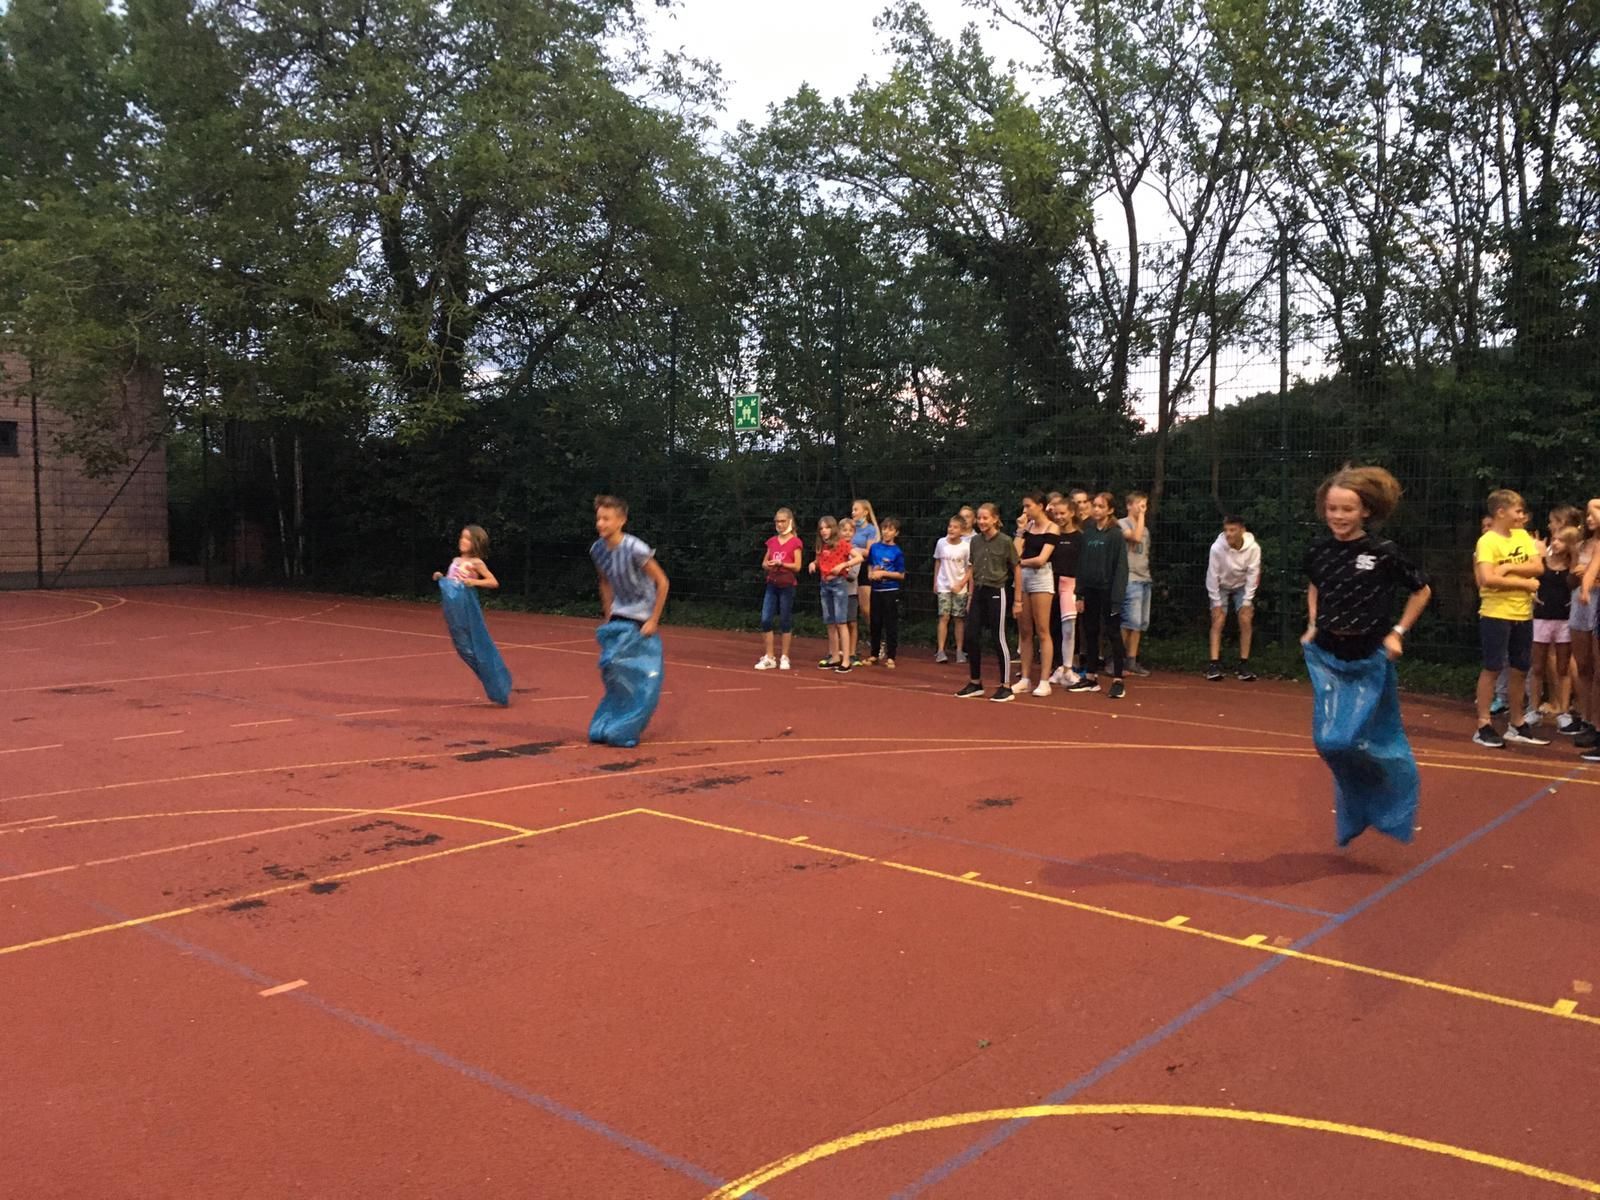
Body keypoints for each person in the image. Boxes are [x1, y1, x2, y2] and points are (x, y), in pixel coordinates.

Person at [1301, 466, 1431, 846]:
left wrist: (1398, 633)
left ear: (1365, 512)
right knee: (1332, 742)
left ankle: (1392, 797)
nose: (1338, 517)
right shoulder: (1318, 550)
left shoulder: (1382, 552)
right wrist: (1313, 623)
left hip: (1371, 658)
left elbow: (1421, 590)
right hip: (1326, 656)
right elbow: (1315, 584)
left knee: (1376, 739)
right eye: (1332, 509)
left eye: (1346, 510)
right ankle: (1359, 806)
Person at [588, 496, 671, 746]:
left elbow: (663, 582)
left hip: (641, 618)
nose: (601, 523)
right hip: (619, 616)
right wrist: (608, 615)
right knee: (613, 670)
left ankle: (627, 726)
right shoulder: (598, 550)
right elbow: (604, 581)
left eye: (607, 518)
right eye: (598, 518)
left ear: (621, 521)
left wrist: (654, 620)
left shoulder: (636, 549)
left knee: (642, 678)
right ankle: (610, 721)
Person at [1472, 489, 1549, 748]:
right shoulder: (1488, 541)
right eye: (1517, 511)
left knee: (1520, 668)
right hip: (1496, 613)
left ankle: (1516, 723)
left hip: (1522, 613)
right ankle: (1483, 724)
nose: (1521, 516)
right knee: (1493, 667)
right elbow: (1487, 579)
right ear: (1501, 512)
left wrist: (1508, 567)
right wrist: (1525, 585)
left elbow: (1538, 567)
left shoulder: (1521, 536)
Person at [432, 524, 512, 705]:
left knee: (477, 646)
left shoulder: (476, 563)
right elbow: (451, 581)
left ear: (475, 542)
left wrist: (473, 582)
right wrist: (440, 577)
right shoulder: (456, 560)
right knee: (463, 649)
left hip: (467, 607)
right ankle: (490, 679)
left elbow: (493, 582)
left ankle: (497, 683)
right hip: (454, 610)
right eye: (462, 537)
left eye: (467, 538)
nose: (463, 541)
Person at [956, 502, 1022, 702]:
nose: (982, 521)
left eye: (986, 518)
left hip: (997, 591)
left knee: (998, 637)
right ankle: (975, 682)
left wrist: (1017, 600)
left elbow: (1016, 569)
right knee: (970, 635)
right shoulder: (975, 541)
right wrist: (969, 595)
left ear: (995, 519)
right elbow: (973, 569)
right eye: (979, 518)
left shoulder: (1005, 541)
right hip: (979, 593)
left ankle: (1006, 686)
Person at [1527, 506, 1581, 728]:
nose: (1550, 527)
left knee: (1564, 663)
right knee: (1539, 663)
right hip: (1542, 617)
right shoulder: (1543, 555)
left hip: (1564, 618)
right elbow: (1533, 575)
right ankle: (1537, 706)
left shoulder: (1574, 559)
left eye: (1553, 522)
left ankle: (1565, 706)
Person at [1073, 492, 1129, 699]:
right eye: (1094, 505)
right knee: (1090, 631)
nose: (1096, 509)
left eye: (1100, 506)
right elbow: (1081, 563)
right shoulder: (1087, 532)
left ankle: (1118, 680)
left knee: (1113, 633)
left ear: (1110, 510)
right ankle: (1090, 676)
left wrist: (1117, 597)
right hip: (1090, 590)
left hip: (1108, 591)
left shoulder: (1115, 534)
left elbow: (1121, 567)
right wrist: (1079, 593)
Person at [1013, 491, 1060, 695]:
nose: (1025, 510)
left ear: (1040, 506)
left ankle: (1044, 680)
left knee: (1042, 629)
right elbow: (1014, 553)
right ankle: (1025, 678)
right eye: (1024, 506)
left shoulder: (1053, 527)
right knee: (1024, 631)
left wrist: (1020, 563)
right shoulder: (1028, 527)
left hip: (1042, 578)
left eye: (1028, 506)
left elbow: (1041, 559)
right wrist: (1020, 531)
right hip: (1024, 578)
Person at [1204, 515, 1262, 682]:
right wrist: (1216, 603)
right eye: (1226, 530)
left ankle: (1243, 664)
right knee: (1218, 620)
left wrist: (1247, 601)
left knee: (1245, 619)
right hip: (1221, 585)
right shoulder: (1216, 548)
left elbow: (1253, 574)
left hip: (1242, 585)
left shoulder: (1254, 548)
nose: (1228, 534)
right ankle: (1214, 664)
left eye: (1232, 530)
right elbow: (1212, 576)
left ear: (1242, 531)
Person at [1570, 499, 1600, 760]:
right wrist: (1586, 587)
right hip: (1589, 605)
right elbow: (1591, 569)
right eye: (1588, 511)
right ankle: (1592, 722)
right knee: (1589, 668)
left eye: (1598, 510)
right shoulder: (1585, 545)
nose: (1591, 515)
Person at [756, 507, 803, 671]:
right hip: (772, 583)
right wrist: (769, 565)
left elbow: (797, 566)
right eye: (777, 521)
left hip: (787, 585)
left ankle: (785, 656)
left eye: (783, 521)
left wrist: (782, 564)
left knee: (785, 620)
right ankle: (769, 656)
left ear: (790, 521)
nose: (780, 524)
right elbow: (763, 562)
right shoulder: (772, 541)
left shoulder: (795, 542)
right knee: (765, 619)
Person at [809, 515, 854, 672]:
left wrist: (843, 564)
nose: (823, 531)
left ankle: (846, 660)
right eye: (821, 528)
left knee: (841, 622)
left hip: (838, 584)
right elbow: (819, 560)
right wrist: (813, 564)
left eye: (827, 527)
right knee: (830, 622)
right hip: (825, 584)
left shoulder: (841, 544)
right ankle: (834, 656)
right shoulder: (821, 546)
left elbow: (859, 557)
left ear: (833, 528)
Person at [1047, 494, 1083, 688]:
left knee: (1069, 627)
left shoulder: (1079, 537)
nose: (1059, 517)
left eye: (1063, 513)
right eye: (1056, 513)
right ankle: (1057, 666)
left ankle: (1069, 668)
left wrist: (1081, 592)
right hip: (1050, 585)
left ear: (1071, 513)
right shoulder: (1051, 535)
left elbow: (1082, 566)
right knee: (1052, 627)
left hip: (1071, 586)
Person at [1119, 491, 1153, 676]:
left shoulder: (1145, 529)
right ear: (1129, 505)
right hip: (1130, 578)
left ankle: (1131, 660)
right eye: (1139, 505)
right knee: (1128, 621)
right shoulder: (1121, 523)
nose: (1142, 509)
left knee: (1139, 623)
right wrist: (1141, 517)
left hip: (1144, 578)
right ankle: (1116, 658)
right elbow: (1135, 537)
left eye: (1144, 505)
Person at [866, 517, 907, 667]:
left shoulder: (897, 552)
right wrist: (871, 574)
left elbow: (901, 574)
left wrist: (884, 574)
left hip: (890, 590)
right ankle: (874, 654)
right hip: (876, 590)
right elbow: (870, 565)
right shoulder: (875, 547)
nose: (886, 532)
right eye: (884, 528)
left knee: (890, 623)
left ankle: (891, 656)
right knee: (875, 622)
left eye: (890, 529)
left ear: (896, 533)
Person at [933, 515, 971, 663]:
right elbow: (938, 562)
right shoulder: (941, 543)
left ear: (962, 530)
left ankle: (960, 650)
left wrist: (961, 584)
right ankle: (941, 650)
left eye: (955, 527)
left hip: (959, 588)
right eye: (950, 526)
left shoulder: (966, 547)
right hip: (944, 585)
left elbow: (970, 569)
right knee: (943, 617)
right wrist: (936, 581)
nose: (951, 529)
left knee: (959, 619)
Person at [850, 499, 880, 662]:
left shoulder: (871, 529)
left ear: (865, 512)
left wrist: (854, 550)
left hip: (864, 568)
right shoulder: (851, 528)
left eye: (856, 509)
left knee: (866, 609)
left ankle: (877, 642)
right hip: (849, 569)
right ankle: (853, 645)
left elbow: (870, 552)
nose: (853, 512)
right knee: (852, 610)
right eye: (852, 510)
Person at [838, 516, 863, 667]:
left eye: (850, 530)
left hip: (851, 592)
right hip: (837, 591)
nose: (847, 533)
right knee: (838, 622)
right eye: (844, 530)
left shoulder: (856, 551)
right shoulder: (834, 549)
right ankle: (838, 651)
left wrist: (841, 569)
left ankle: (852, 653)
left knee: (851, 622)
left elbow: (853, 575)